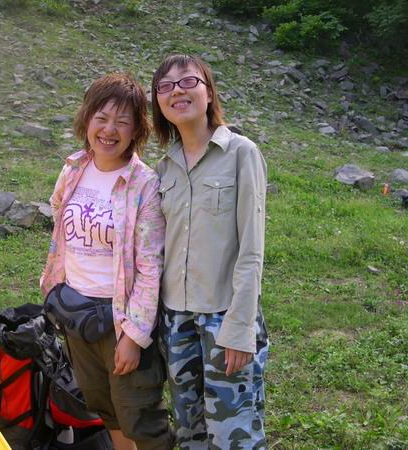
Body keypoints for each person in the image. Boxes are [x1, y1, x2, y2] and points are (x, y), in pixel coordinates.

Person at [40, 73, 172, 450]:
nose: (109, 130)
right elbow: (58, 210)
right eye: (101, 118)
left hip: (119, 319)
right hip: (76, 312)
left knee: (138, 414)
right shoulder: (74, 168)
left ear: (137, 130)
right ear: (87, 120)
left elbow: (150, 267)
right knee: (105, 408)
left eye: (122, 121)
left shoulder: (143, 184)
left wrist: (134, 337)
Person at [152, 54, 269, 449]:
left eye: (188, 81)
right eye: (165, 86)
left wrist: (240, 328)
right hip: (176, 321)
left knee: (234, 435)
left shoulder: (241, 153)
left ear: (208, 91)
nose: (177, 91)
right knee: (190, 433)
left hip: (225, 318)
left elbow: (252, 249)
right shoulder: (163, 169)